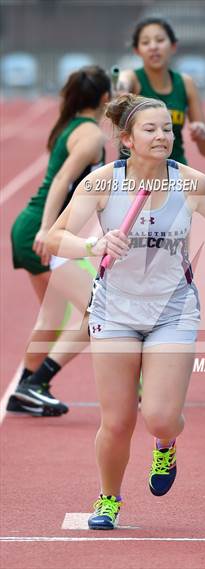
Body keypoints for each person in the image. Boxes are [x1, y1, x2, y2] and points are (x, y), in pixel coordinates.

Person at [46, 94, 205, 529]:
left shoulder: (191, 182)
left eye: (167, 129)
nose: (162, 136)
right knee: (117, 421)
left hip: (172, 310)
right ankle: (108, 499)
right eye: (150, 129)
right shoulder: (102, 183)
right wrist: (92, 245)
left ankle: (166, 443)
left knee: (159, 416)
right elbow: (55, 237)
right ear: (126, 140)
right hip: (115, 311)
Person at [8, 65, 111, 416]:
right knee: (99, 312)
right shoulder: (91, 135)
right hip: (43, 231)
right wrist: (46, 230)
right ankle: (35, 382)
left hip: (32, 227)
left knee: (52, 316)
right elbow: (62, 180)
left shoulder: (72, 126)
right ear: (104, 99)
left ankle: (25, 390)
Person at [118, 16, 205, 163]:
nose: (153, 47)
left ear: (173, 46)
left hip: (174, 170)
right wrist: (121, 88)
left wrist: (202, 134)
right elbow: (122, 82)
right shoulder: (133, 79)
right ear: (137, 50)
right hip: (135, 174)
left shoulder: (186, 83)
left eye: (160, 40)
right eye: (145, 42)